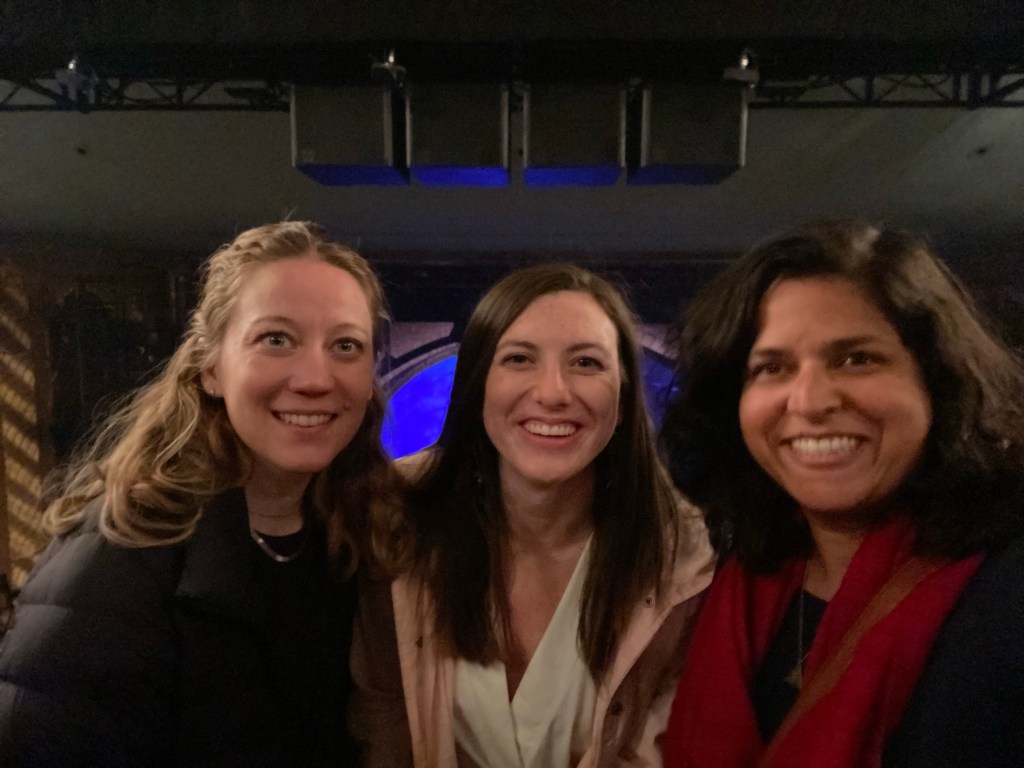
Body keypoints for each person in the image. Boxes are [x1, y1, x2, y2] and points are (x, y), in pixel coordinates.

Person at [0, 221, 399, 767]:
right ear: (211, 367)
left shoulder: (358, 533)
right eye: (276, 339)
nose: (315, 378)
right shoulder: (119, 554)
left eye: (345, 345)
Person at [660, 220, 1024, 767]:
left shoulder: (1005, 587)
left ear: (937, 379)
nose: (809, 401)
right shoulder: (734, 575)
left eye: (856, 359)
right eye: (772, 367)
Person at [352, 263, 715, 767]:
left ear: (624, 394)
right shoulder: (399, 518)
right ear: (477, 383)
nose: (553, 393)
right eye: (519, 359)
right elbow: (380, 721)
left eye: (586, 362)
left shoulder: (682, 559)